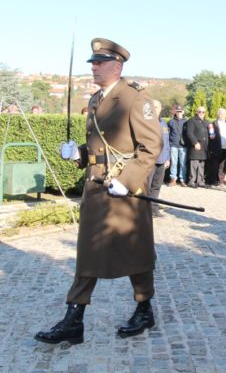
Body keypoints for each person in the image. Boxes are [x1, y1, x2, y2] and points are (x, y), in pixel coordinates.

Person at [35, 38, 162, 344]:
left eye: (99, 62)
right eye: (92, 62)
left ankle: (144, 308)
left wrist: (128, 180)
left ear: (116, 66)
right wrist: (77, 154)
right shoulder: (95, 100)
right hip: (95, 188)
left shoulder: (134, 99)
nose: (93, 67)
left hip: (124, 192)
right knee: (87, 254)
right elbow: (97, 147)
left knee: (136, 252)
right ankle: (73, 320)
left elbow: (151, 147)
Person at [148, 100, 171, 217]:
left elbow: (167, 143)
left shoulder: (163, 124)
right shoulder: (146, 122)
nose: (155, 108)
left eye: (157, 107)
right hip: (150, 161)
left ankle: (154, 208)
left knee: (156, 186)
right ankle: (144, 210)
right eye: (153, 106)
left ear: (161, 108)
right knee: (147, 186)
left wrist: (168, 158)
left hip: (162, 160)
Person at [186, 106, 210, 188]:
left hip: (204, 146)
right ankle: (192, 181)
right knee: (194, 163)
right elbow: (189, 133)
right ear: (196, 112)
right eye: (199, 111)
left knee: (201, 164)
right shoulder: (192, 120)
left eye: (203, 112)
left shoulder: (207, 122)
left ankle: (200, 182)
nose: (201, 113)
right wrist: (195, 142)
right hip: (196, 145)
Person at [211, 108, 226, 187]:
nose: (222, 115)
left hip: (225, 148)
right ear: (218, 114)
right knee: (215, 165)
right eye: (221, 113)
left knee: (222, 165)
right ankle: (213, 180)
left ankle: (220, 181)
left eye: (224, 114)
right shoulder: (214, 123)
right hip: (216, 147)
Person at [167, 105, 188, 186]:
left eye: (180, 111)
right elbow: (167, 134)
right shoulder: (171, 122)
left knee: (183, 163)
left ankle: (182, 179)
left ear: (183, 112)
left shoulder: (186, 122)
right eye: (178, 111)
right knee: (174, 163)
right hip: (173, 145)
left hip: (183, 146)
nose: (179, 113)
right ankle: (173, 179)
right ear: (175, 112)